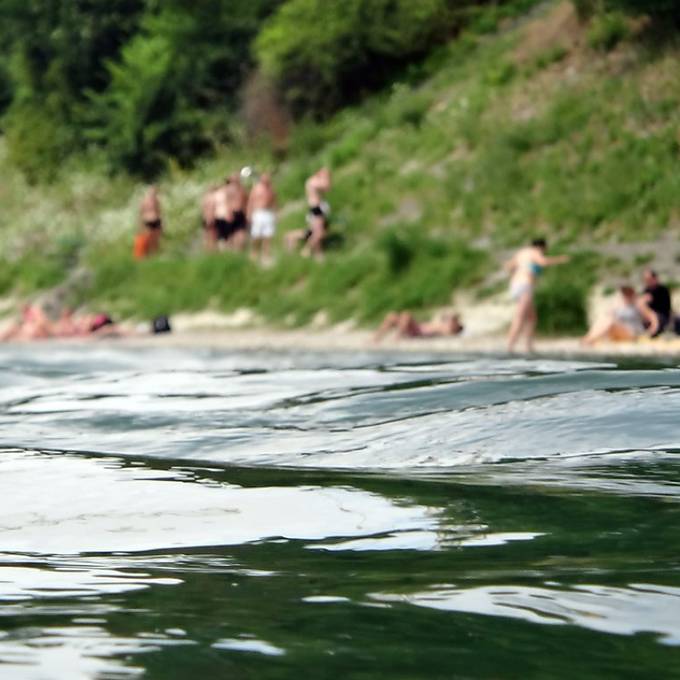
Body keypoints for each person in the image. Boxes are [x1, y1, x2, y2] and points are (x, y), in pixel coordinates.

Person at [505, 238, 569, 353]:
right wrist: (561, 259)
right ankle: (510, 347)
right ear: (541, 247)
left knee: (531, 317)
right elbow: (543, 262)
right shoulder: (535, 252)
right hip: (525, 285)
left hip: (516, 285)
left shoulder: (522, 252)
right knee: (520, 316)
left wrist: (518, 273)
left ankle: (528, 347)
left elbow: (509, 265)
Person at [582, 285, 658, 345]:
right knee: (604, 318)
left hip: (632, 333)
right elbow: (609, 315)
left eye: (628, 293)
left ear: (633, 293)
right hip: (618, 332)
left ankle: (589, 339)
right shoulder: (620, 304)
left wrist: (652, 331)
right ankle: (589, 337)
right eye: (624, 293)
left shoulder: (638, 304)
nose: (626, 295)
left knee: (610, 321)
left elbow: (652, 316)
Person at [285, 167, 331, 259]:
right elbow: (327, 187)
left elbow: (325, 189)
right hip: (315, 209)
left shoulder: (314, 181)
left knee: (317, 232)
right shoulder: (313, 181)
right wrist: (327, 177)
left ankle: (317, 253)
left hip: (318, 209)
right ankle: (307, 250)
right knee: (319, 233)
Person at [247, 172, 277, 265]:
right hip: (258, 213)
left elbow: (274, 202)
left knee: (268, 235)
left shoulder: (271, 189)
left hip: (269, 213)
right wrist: (249, 214)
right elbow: (251, 202)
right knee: (256, 235)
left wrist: (276, 213)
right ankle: (254, 252)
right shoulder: (256, 189)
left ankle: (266, 255)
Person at [375, 311, 463, 341]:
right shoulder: (443, 324)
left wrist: (454, 322)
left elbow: (450, 332)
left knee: (406, 315)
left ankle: (398, 337)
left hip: (418, 332)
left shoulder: (446, 329)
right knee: (392, 316)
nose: (451, 320)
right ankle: (376, 338)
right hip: (417, 329)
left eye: (454, 321)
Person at [641, 269, 671, 337]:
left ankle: (653, 330)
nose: (648, 281)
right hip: (649, 316)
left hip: (662, 315)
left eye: (649, 279)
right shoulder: (646, 290)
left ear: (655, 278)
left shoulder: (662, 290)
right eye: (646, 280)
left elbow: (664, 307)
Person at [135, 185, 163, 259]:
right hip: (147, 221)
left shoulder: (157, 200)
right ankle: (145, 255)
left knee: (156, 239)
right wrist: (140, 224)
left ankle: (154, 255)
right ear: (149, 192)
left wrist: (162, 222)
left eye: (155, 192)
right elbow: (140, 213)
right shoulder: (144, 201)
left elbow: (159, 211)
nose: (153, 193)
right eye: (152, 191)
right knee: (147, 238)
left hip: (156, 220)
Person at [201, 186, 218, 250]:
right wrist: (210, 218)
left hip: (205, 218)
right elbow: (210, 209)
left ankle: (208, 250)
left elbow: (203, 208)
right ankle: (211, 250)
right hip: (210, 218)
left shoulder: (205, 197)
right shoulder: (212, 197)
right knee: (212, 235)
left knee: (206, 235)